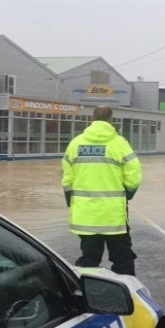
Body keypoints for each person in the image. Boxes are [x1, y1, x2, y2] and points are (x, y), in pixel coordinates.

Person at [62, 105, 142, 276]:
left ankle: (86, 290)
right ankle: (126, 289)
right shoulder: (120, 144)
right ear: (110, 120)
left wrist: (71, 200)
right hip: (114, 216)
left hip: (86, 216)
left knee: (89, 260)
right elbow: (134, 175)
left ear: (92, 119)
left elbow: (67, 179)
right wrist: (128, 193)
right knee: (123, 260)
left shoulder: (75, 143)